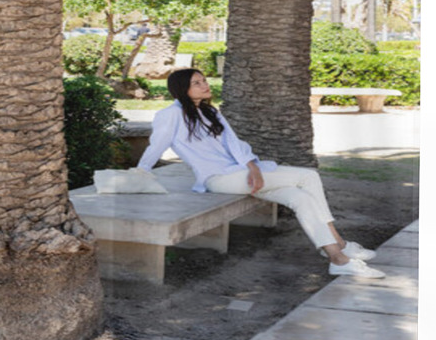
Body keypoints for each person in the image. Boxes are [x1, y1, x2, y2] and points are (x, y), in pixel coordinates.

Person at [136, 68, 385, 278]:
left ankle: (335, 255)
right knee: (308, 176)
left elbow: (235, 144)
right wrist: (141, 172)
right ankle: (340, 249)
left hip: (240, 173)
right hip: (219, 179)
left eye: (204, 80)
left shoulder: (211, 112)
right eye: (197, 83)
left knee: (300, 198)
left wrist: (253, 167)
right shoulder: (170, 115)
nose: (205, 85)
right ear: (182, 88)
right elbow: (156, 145)